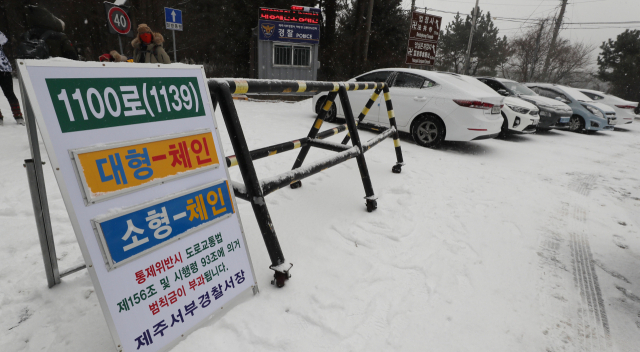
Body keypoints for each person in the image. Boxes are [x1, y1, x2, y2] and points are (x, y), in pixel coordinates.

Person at [0, 31, 24, 126]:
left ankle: (18, 116)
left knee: (9, 93)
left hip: (4, 68)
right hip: (5, 68)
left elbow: (4, 40)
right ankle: (3, 118)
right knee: (10, 93)